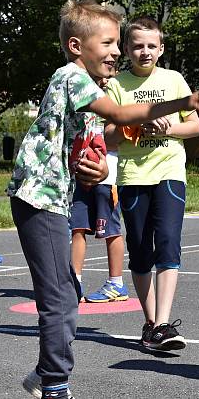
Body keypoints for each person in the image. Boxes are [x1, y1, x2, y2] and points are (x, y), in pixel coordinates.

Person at [8, 0, 199, 399]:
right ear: (76, 46)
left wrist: (98, 170)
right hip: (38, 196)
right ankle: (55, 385)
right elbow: (122, 115)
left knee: (66, 293)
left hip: (55, 195)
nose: (118, 52)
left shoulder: (89, 89)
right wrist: (183, 103)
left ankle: (44, 373)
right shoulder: (72, 77)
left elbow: (98, 145)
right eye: (108, 44)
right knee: (59, 298)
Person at [104, 16, 199, 352]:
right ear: (127, 49)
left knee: (169, 244)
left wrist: (167, 129)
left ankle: (163, 323)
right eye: (137, 45)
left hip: (169, 172)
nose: (144, 51)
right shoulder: (116, 86)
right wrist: (139, 124)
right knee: (141, 250)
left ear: (161, 48)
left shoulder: (174, 80)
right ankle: (150, 324)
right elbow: (109, 136)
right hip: (133, 176)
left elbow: (195, 127)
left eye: (151, 45)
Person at [69, 77, 130, 303]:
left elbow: (118, 139)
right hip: (83, 176)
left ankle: (116, 283)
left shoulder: (116, 105)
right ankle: (73, 282)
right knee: (78, 227)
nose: (104, 80)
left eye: (109, 75)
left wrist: (98, 149)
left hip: (108, 176)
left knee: (111, 230)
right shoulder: (83, 102)